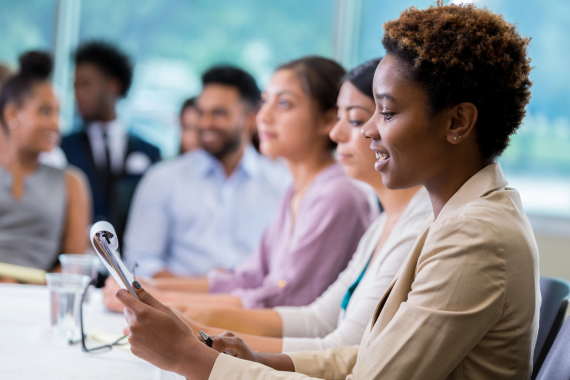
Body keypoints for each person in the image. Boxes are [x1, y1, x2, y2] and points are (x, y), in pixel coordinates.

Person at [114, 2, 540, 379]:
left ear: (457, 123)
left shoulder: (475, 235)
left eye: (386, 113)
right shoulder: (453, 215)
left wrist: (192, 359)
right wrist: (253, 359)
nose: (368, 130)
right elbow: (368, 357)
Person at [167, 58, 433, 353]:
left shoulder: (345, 197)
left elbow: (304, 313)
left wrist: (195, 330)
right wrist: (182, 314)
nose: (262, 117)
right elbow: (314, 316)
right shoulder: (380, 224)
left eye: (356, 120)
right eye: (265, 102)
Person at [106, 57, 377, 311]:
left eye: (283, 104)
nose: (263, 117)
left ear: (328, 120)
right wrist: (149, 289)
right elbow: (249, 277)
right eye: (264, 102)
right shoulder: (297, 191)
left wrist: (157, 300)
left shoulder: (337, 195)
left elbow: (283, 298)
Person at [119, 65, 289, 280]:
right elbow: (141, 262)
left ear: (250, 119)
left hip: (254, 309)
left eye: (218, 113)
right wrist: (201, 290)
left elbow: (285, 267)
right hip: (174, 308)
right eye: (201, 112)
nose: (205, 123)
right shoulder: (163, 179)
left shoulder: (281, 183)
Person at [0, 51, 91, 279]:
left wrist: (30, 288)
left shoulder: (72, 182)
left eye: (58, 113)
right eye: (45, 111)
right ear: (12, 114)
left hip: (37, 296)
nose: (56, 124)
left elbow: (74, 265)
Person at [60, 41, 161, 243]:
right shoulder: (63, 147)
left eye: (85, 84)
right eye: (75, 86)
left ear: (113, 86)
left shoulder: (150, 152)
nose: (78, 94)